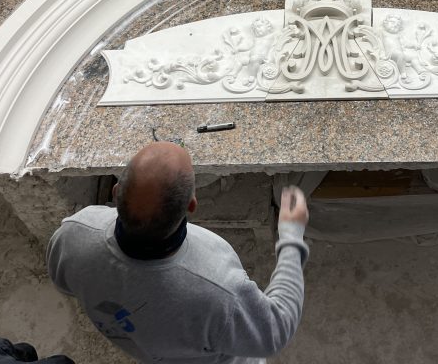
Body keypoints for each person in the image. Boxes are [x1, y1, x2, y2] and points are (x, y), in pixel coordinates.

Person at [47, 141, 309, 364]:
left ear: (116, 193)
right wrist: (291, 237)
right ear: (192, 205)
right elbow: (275, 331)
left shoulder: (75, 233)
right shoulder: (218, 290)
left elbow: (63, 282)